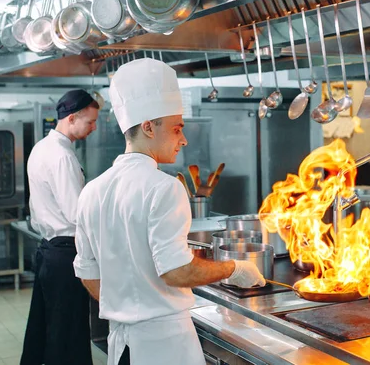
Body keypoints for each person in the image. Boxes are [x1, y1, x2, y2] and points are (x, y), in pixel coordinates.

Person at [73, 58, 265, 365]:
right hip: (165, 347)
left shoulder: (92, 191)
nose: (183, 138)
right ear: (148, 127)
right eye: (177, 128)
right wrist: (234, 268)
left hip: (122, 349)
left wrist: (125, 305)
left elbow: (87, 272)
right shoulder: (165, 188)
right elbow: (177, 271)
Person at [21, 89, 100, 365]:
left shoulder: (42, 148)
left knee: (45, 328)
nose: (93, 128)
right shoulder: (63, 156)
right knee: (68, 332)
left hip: (48, 252)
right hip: (66, 255)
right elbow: (77, 213)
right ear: (72, 118)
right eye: (90, 122)